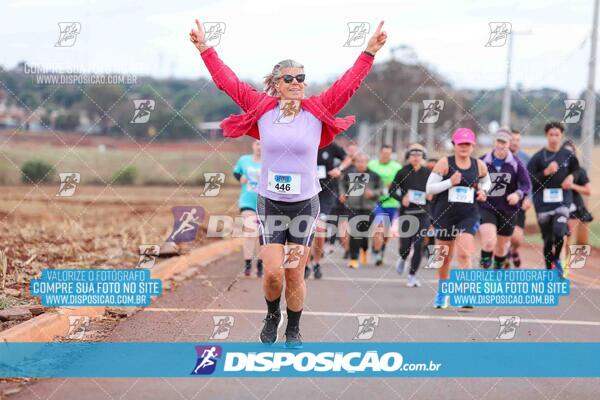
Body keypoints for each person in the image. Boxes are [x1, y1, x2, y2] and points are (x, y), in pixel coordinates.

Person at [191, 18, 387, 347]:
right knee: (272, 273)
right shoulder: (262, 108)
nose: (297, 82)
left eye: (301, 77)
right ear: (277, 84)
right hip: (269, 201)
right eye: (289, 78)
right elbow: (228, 83)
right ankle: (272, 314)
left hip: (304, 203)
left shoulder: (317, 110)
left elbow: (348, 85)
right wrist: (204, 48)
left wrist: (368, 51)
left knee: (295, 271)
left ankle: (293, 327)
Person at [426, 128, 491, 308]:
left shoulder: (479, 165)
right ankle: (442, 291)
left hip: (467, 215)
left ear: (472, 146)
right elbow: (429, 188)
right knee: (444, 257)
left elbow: (487, 182)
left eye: (467, 144)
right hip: (444, 214)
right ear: (454, 145)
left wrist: (483, 192)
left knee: (464, 253)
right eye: (460, 143)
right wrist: (449, 182)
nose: (464, 147)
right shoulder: (444, 163)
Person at [527, 122, 579, 278]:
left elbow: (576, 170)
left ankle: (556, 260)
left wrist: (571, 177)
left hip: (563, 200)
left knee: (559, 230)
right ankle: (549, 271)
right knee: (548, 239)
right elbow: (529, 180)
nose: (554, 138)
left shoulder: (568, 155)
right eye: (551, 135)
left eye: (557, 135)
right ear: (546, 136)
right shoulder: (538, 157)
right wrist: (545, 172)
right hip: (542, 203)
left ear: (561, 135)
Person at [478, 128, 531, 270]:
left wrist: (518, 195)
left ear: (509, 144)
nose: (501, 145)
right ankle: (484, 271)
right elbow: (472, 180)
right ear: (494, 142)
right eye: (498, 141)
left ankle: (496, 275)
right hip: (487, 207)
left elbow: (526, 184)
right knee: (489, 242)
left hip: (508, 210)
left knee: (502, 248)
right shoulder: (483, 161)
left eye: (504, 142)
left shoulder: (516, 163)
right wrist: (479, 191)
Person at [307, 142, 352, 280]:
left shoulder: (331, 146)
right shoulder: (305, 141)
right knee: (306, 231)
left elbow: (348, 158)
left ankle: (317, 263)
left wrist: (339, 168)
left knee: (320, 230)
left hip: (325, 193)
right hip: (306, 192)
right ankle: (306, 265)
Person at [389, 144, 431, 287]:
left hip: (423, 214)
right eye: (413, 155)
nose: (416, 158)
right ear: (408, 157)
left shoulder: (428, 173)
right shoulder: (402, 172)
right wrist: (402, 199)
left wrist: (431, 196)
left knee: (419, 244)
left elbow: (435, 191)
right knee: (405, 246)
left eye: (419, 155)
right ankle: (402, 258)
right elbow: (392, 191)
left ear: (423, 157)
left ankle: (412, 276)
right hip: (407, 213)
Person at [339, 152, 383, 268]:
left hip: (369, 208)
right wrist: (343, 194)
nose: (361, 164)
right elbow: (342, 185)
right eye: (358, 161)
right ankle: (354, 258)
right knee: (355, 232)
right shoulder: (349, 174)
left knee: (365, 233)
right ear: (355, 163)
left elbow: (381, 190)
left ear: (367, 163)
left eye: (363, 162)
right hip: (353, 207)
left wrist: (373, 193)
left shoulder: (374, 175)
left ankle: (364, 250)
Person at [368, 145, 403, 266]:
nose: (386, 156)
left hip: (392, 202)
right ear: (380, 153)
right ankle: (376, 251)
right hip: (376, 201)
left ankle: (380, 250)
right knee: (380, 226)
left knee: (386, 232)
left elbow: (402, 181)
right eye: (384, 153)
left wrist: (393, 186)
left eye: (388, 154)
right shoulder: (372, 165)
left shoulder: (397, 167)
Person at [233, 141, 263, 277]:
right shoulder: (244, 160)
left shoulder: (271, 161)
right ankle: (248, 264)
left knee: (262, 235)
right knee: (250, 230)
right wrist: (241, 177)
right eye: (257, 143)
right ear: (253, 145)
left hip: (265, 203)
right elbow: (236, 172)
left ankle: (260, 264)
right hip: (247, 201)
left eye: (263, 144)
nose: (259, 147)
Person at [561, 140, 593, 265]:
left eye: (571, 152)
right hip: (557, 206)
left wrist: (572, 185)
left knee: (567, 238)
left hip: (574, 207)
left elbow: (588, 191)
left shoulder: (579, 171)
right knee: (560, 238)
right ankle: (559, 263)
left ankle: (565, 264)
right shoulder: (557, 169)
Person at [506, 129, 532, 268]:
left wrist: (530, 199)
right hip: (502, 202)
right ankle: (503, 256)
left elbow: (531, 182)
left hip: (520, 202)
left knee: (517, 238)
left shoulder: (526, 159)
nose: (515, 143)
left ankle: (513, 250)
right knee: (503, 234)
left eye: (517, 140)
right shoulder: (500, 157)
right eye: (512, 140)